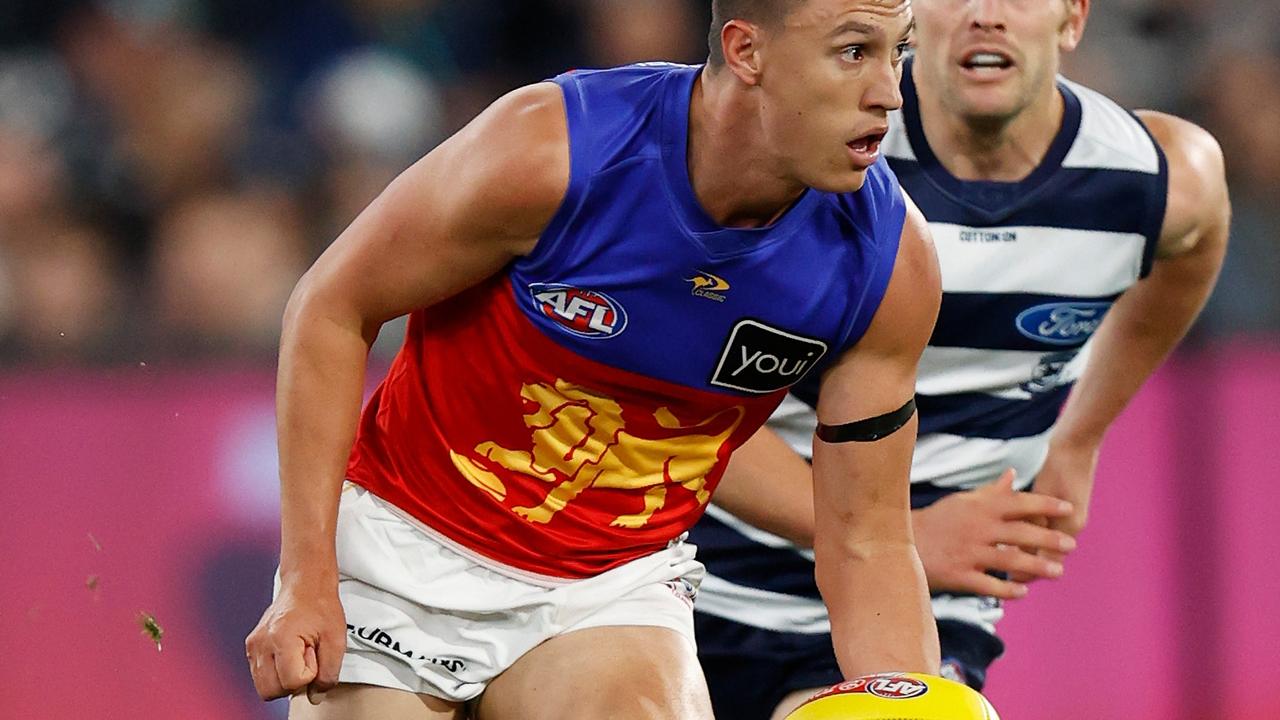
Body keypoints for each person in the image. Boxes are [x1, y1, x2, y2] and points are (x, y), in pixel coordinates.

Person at [245, 1, 944, 718]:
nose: (890, 90)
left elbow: (868, 540)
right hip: (403, 549)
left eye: (900, 52)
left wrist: (918, 704)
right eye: (854, 51)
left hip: (606, 585)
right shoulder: (556, 149)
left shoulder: (889, 265)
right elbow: (331, 308)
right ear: (746, 51)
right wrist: (305, 575)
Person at [688, 1, 1231, 718]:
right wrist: (913, 533)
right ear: (910, 24)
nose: (985, 15)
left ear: (1071, 19)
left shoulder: (1153, 177)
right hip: (698, 574)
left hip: (913, 604)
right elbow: (681, 413)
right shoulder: (822, 159)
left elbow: (1194, 244)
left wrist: (1083, 432)